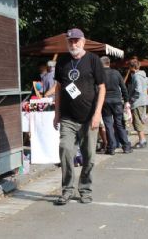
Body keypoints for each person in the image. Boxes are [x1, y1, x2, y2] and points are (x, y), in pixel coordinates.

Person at [53, 28, 106, 205]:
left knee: (89, 155)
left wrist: (98, 113)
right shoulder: (62, 61)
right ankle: (67, 190)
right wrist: (56, 114)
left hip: (89, 117)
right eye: (70, 41)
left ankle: (85, 189)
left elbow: (102, 88)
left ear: (83, 41)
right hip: (68, 117)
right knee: (65, 150)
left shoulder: (93, 60)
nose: (73, 44)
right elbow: (59, 89)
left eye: (76, 41)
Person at [100, 56, 132, 155]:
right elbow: (123, 88)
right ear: (109, 63)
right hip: (117, 101)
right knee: (119, 124)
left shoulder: (99, 74)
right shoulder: (116, 73)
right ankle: (126, 146)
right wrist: (126, 101)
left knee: (108, 125)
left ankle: (111, 148)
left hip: (105, 102)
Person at [128, 60, 148, 148]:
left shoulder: (136, 76)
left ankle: (142, 140)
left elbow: (138, 90)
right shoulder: (143, 75)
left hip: (137, 102)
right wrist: (144, 89)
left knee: (137, 122)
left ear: (132, 67)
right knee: (140, 120)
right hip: (143, 101)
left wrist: (132, 99)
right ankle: (142, 140)